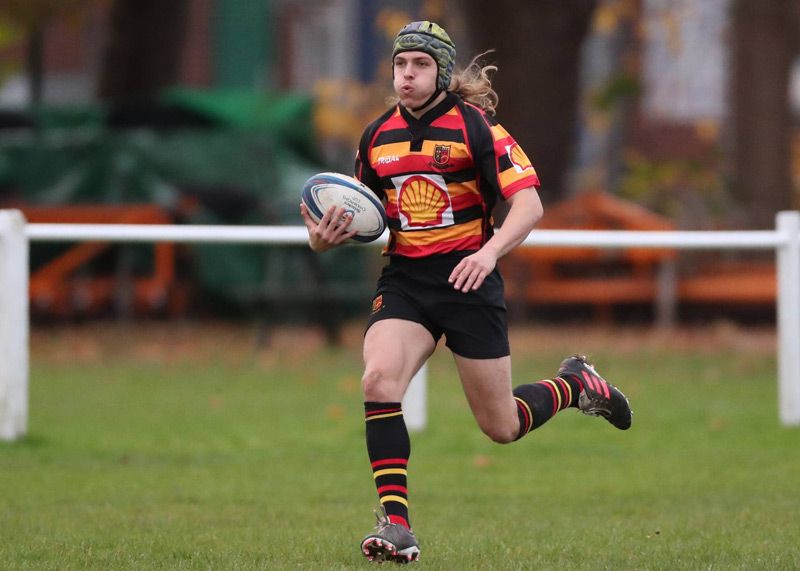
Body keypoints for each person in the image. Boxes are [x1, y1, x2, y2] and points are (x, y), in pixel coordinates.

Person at [300, 20, 632, 564]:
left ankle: (575, 385)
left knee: (501, 426)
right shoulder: (376, 136)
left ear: (442, 71)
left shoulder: (476, 128)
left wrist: (489, 252)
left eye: (421, 65)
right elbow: (371, 218)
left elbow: (529, 204)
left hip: (469, 280)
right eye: (400, 65)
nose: (407, 75)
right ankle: (398, 525)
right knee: (379, 379)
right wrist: (322, 239)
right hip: (406, 282)